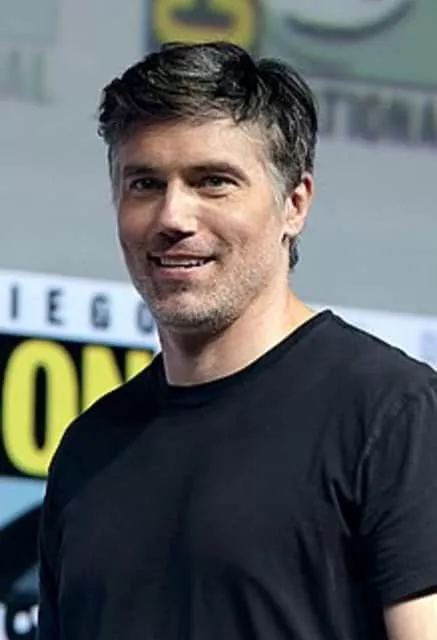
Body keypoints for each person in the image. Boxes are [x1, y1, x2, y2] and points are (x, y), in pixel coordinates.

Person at [37, 41, 437, 640]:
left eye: (213, 182)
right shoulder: (87, 451)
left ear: (294, 204)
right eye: (145, 183)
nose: (173, 217)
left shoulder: (395, 417)